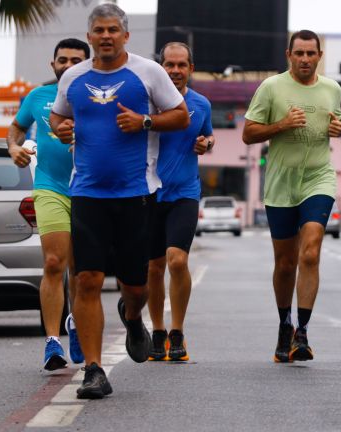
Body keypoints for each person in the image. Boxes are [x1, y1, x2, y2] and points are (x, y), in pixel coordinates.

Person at [50, 3, 189, 399]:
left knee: (134, 285)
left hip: (135, 194)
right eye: (99, 30)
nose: (106, 36)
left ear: (126, 35)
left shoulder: (148, 72)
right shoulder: (74, 77)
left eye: (113, 30)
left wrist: (145, 122)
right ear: (90, 36)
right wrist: (62, 129)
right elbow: (59, 118)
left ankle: (132, 318)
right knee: (87, 279)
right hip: (86, 192)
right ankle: (94, 370)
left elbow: (179, 116)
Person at [242, 30, 341, 363]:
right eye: (298, 53)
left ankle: (302, 332)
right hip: (281, 183)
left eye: (310, 54)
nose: (304, 59)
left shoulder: (332, 89)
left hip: (319, 176)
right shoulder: (271, 88)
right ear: (289, 54)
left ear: (319, 55)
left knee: (310, 252)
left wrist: (337, 128)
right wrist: (282, 124)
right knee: (285, 264)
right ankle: (285, 324)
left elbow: (335, 122)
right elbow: (248, 133)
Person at [7, 38, 90, 372]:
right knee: (55, 262)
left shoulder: (100, 97)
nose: (67, 65)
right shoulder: (37, 97)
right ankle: (52, 342)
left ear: (86, 64)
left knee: (83, 272)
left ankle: (78, 323)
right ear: (52, 64)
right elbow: (16, 129)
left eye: (75, 60)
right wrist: (13, 147)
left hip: (89, 190)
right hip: (50, 187)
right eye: (62, 60)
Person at [146, 42, 214, 362]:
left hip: (185, 192)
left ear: (191, 68)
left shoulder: (201, 104)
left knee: (177, 260)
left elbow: (208, 135)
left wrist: (206, 143)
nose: (175, 71)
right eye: (169, 65)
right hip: (148, 192)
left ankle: (177, 331)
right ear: (160, 67)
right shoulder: (147, 101)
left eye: (181, 65)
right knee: (153, 266)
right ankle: (157, 331)